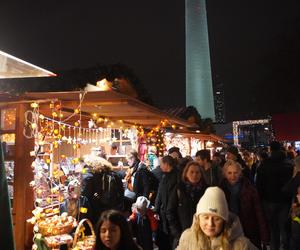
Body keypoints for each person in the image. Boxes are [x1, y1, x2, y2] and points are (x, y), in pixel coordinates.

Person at [177, 187, 258, 250]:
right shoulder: (187, 238)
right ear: (198, 217)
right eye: (206, 217)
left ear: (224, 221)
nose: (210, 223)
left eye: (216, 219)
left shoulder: (241, 245)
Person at [220, 160, 269, 249]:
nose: (233, 176)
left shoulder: (250, 189)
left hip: (248, 230)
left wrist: (264, 236)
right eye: (229, 173)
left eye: (235, 173)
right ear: (225, 173)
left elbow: (259, 213)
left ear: (240, 173)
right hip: (227, 231)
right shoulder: (220, 190)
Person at [256, 141, 293, 250]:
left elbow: (259, 183)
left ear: (270, 150)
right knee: (284, 228)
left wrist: (261, 197)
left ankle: (274, 247)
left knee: (272, 229)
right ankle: (285, 247)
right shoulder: (288, 163)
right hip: (284, 201)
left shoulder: (264, 164)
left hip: (268, 201)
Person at [166, 161, 207, 249]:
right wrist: (177, 233)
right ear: (186, 174)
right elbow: (170, 211)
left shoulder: (207, 190)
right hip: (182, 234)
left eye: (197, 172)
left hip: (203, 236)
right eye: (191, 172)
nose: (194, 175)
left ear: (201, 174)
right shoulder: (179, 189)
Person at [154, 155, 178, 250]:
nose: (160, 166)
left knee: (172, 236)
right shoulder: (164, 176)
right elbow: (160, 194)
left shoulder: (176, 176)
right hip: (165, 211)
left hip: (172, 212)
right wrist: (156, 209)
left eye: (161, 164)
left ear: (167, 164)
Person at [282, 155, 300, 250]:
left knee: (295, 239)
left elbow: (286, 190)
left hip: (297, 216)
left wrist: (293, 176)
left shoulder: (297, 177)